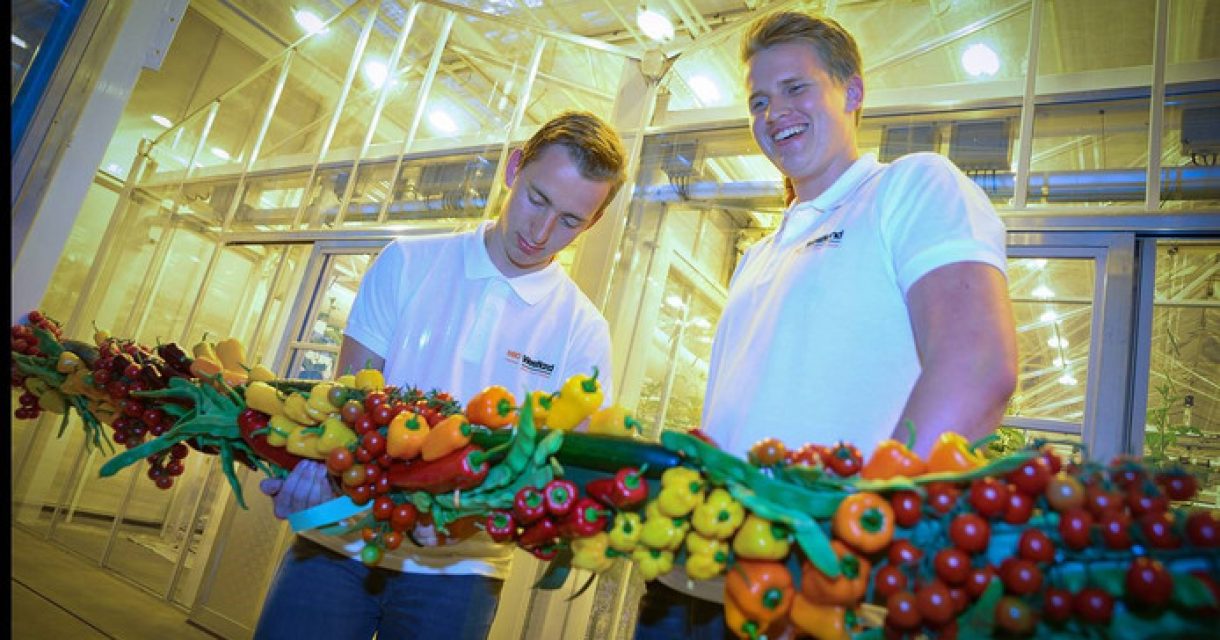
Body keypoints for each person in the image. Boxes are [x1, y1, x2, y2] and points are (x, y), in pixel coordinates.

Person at [636, 10, 1018, 638]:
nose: (774, 113)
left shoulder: (909, 187)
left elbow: (977, 369)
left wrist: (853, 540)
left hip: (812, 586)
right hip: (692, 575)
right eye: (759, 100)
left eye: (796, 88)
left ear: (853, 92)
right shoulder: (760, 253)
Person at [253, 111, 628, 640]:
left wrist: (484, 514)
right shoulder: (407, 262)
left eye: (570, 220)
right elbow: (347, 408)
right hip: (338, 540)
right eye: (537, 199)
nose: (541, 232)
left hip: (462, 573)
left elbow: (560, 471)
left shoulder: (583, 330)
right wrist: (311, 477)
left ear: (593, 222)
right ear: (514, 168)